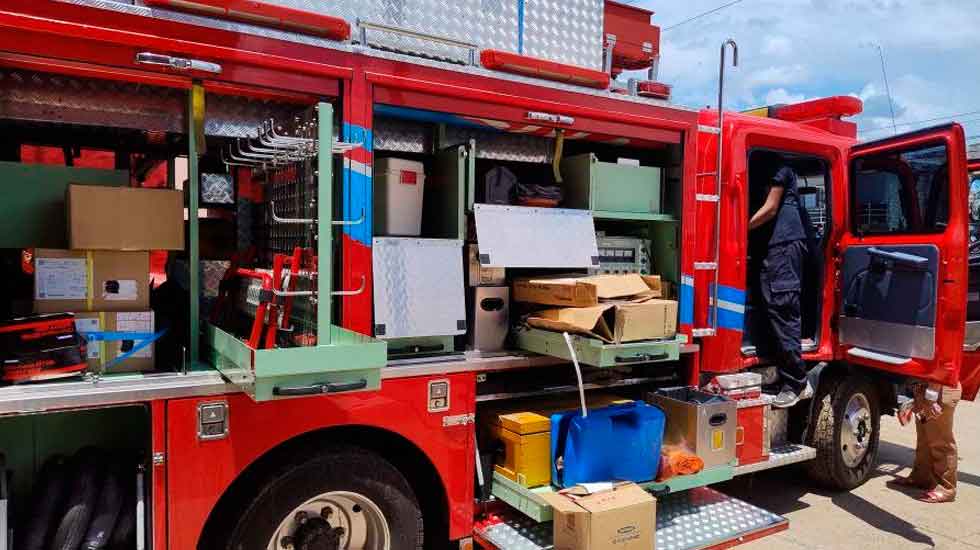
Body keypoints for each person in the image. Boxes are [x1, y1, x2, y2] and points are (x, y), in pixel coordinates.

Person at [748, 152, 813, 407]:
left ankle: (797, 382)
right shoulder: (767, 170)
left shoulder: (781, 168)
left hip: (783, 248)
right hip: (775, 248)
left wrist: (739, 228)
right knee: (773, 309)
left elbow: (771, 208)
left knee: (782, 307)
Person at [892, 382, 961, 503]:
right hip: (926, 391)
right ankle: (921, 477)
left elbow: (945, 368)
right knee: (924, 438)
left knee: (940, 441)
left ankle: (947, 488)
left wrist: (931, 399)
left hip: (940, 392)